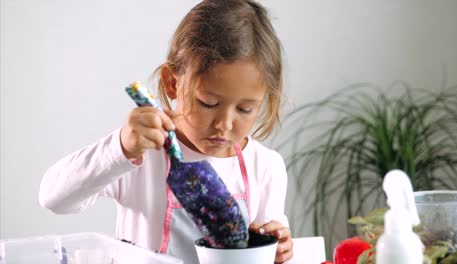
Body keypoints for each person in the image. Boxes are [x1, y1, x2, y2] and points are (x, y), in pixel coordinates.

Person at [39, 0, 293, 263]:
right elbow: (53, 198)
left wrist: (278, 248)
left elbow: (266, 249)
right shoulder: (141, 155)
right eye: (208, 103)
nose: (225, 124)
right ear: (172, 83)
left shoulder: (265, 166)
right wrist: (121, 149)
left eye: (245, 109)